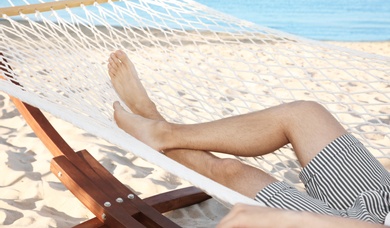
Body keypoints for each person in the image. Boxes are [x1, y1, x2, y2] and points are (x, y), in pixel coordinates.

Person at [108, 50, 390, 227]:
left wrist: (297, 221)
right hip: (384, 199)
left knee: (229, 170)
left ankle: (148, 113)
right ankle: (162, 130)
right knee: (304, 114)